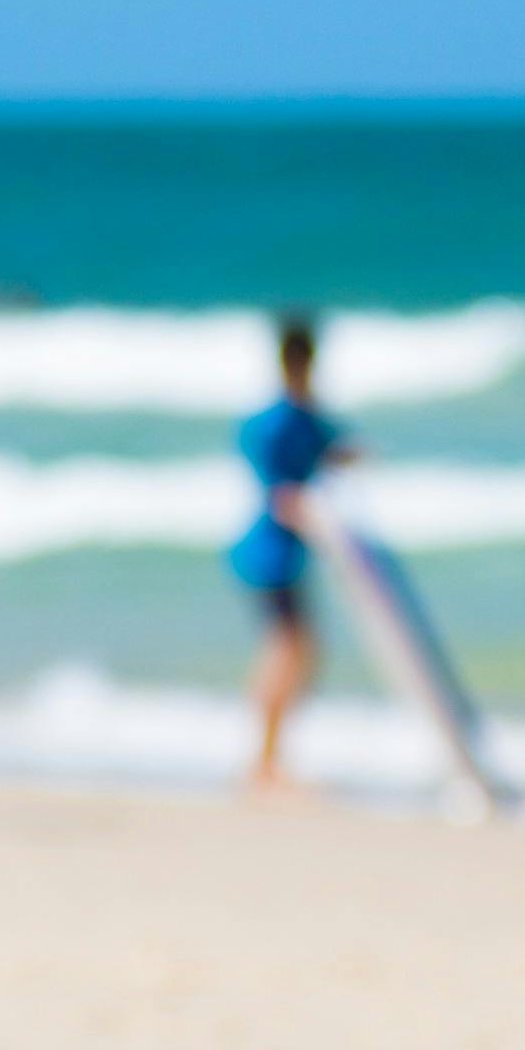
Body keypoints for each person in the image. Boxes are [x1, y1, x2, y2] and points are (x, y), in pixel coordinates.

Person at [229, 313, 349, 797]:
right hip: (269, 554)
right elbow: (279, 491)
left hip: (285, 554)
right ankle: (263, 762)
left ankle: (268, 758)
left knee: (296, 653)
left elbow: (335, 448)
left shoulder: (301, 417)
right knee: (287, 652)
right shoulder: (279, 421)